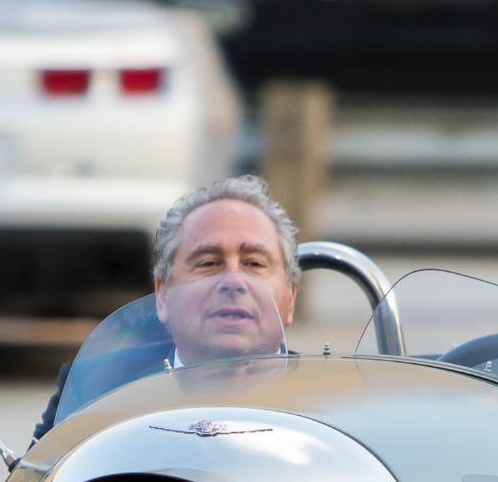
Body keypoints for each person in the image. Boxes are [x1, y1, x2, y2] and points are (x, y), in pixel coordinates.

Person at [32, 175, 299, 441]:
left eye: (254, 264)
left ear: (291, 297)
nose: (232, 281)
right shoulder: (97, 384)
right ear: (162, 295)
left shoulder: (329, 398)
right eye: (208, 263)